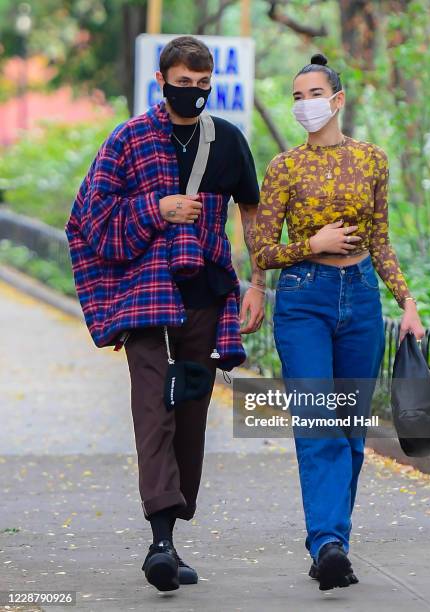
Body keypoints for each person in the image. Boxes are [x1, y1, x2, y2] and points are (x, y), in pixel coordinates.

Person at [65, 35, 265, 592]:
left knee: (191, 412)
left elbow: (251, 211)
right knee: (153, 406)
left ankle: (172, 531)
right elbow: (89, 215)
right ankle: (160, 542)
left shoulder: (226, 140)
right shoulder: (128, 139)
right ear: (162, 81)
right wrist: (156, 209)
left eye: (204, 86)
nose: (194, 94)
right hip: (145, 295)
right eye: (184, 84)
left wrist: (257, 282)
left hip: (205, 293)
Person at [254, 53, 424, 591]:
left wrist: (409, 304)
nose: (305, 105)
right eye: (297, 97)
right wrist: (313, 245)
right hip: (304, 300)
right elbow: (261, 246)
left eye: (314, 94)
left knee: (351, 431)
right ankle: (326, 540)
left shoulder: (372, 160)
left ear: (338, 99)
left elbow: (380, 238)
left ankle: (334, 545)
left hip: (363, 299)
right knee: (317, 422)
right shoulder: (284, 167)